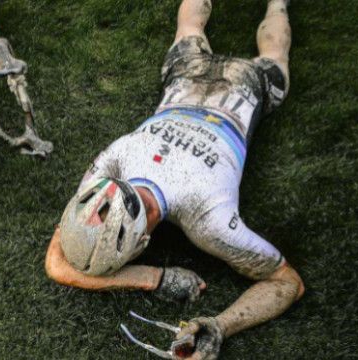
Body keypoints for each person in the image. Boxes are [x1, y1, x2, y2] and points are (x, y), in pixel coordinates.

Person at [44, 0, 303, 359]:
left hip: (242, 91)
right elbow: (58, 257)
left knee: (274, 55)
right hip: (187, 79)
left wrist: (215, 319)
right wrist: (157, 279)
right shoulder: (110, 164)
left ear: (144, 241)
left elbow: (287, 282)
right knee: (190, 30)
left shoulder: (208, 222)